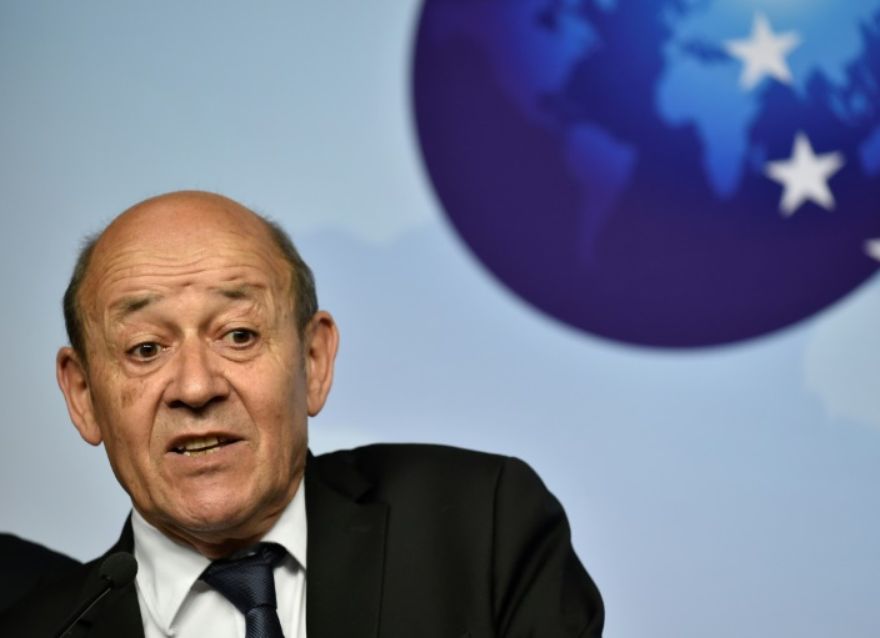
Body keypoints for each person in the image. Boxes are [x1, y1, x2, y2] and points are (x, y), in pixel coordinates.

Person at [0, 191, 603, 637]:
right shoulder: (37, 628)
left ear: (313, 360)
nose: (195, 386)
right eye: (145, 349)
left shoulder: (482, 526)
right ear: (83, 395)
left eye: (238, 335)